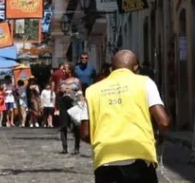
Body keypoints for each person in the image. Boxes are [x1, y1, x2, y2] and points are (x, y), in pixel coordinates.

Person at [78, 49, 171, 183]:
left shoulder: (92, 91)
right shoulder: (145, 83)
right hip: (139, 156)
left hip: (105, 160)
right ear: (136, 68)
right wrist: (162, 132)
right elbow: (163, 123)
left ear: (111, 69)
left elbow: (85, 133)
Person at [57, 63, 83, 154]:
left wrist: (82, 102)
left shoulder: (76, 80)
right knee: (63, 126)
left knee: (76, 125)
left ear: (70, 70)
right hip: (63, 103)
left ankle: (77, 147)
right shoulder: (61, 81)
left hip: (74, 103)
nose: (63, 70)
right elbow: (58, 92)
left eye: (65, 69)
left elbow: (80, 92)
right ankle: (64, 147)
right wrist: (61, 90)